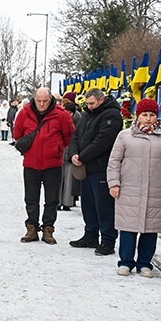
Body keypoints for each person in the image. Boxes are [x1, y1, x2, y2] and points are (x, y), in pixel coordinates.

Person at [107, 98, 161, 277]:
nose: (148, 118)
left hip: (157, 189)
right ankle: (125, 261)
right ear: (137, 116)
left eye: (152, 115)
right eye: (144, 114)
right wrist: (114, 183)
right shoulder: (125, 135)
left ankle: (145, 263)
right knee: (128, 227)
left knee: (151, 228)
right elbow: (114, 161)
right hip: (129, 189)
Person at [12, 87, 75, 244]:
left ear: (50, 99)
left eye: (45, 101)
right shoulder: (25, 113)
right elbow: (17, 134)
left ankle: (48, 228)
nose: (41, 104)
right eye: (38, 101)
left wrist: (57, 149)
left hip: (52, 163)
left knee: (52, 199)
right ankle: (32, 228)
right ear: (34, 99)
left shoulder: (61, 115)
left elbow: (68, 135)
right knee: (31, 198)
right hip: (31, 163)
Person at [70, 87, 124, 255]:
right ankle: (90, 235)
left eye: (92, 103)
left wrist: (82, 156)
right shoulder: (87, 114)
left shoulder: (112, 115)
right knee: (88, 204)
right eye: (87, 103)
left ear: (101, 100)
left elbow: (103, 141)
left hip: (101, 167)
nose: (89, 106)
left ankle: (107, 240)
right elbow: (76, 136)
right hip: (86, 167)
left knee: (104, 206)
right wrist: (73, 153)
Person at [59, 95, 82, 211]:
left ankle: (67, 202)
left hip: (70, 153)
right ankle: (59, 202)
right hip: (62, 152)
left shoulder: (77, 120)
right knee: (60, 178)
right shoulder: (63, 119)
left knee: (68, 179)